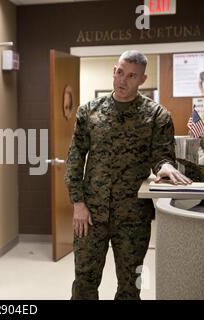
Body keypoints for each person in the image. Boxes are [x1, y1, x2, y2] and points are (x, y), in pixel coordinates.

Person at [66, 50, 192, 300]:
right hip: (91, 214)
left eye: (131, 76)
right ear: (114, 71)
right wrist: (78, 203)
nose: (123, 80)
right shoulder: (89, 112)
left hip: (133, 215)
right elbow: (75, 157)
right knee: (84, 284)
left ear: (142, 79)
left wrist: (165, 166)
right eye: (120, 73)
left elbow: (162, 157)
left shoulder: (157, 116)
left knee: (130, 287)